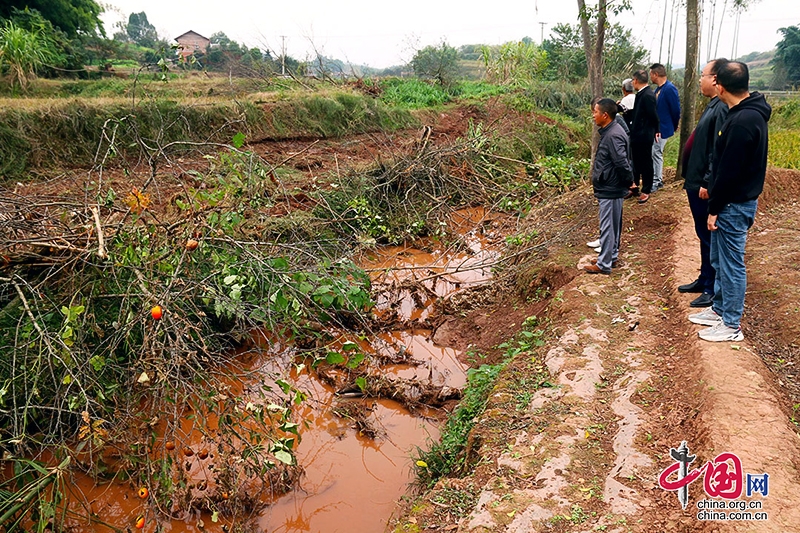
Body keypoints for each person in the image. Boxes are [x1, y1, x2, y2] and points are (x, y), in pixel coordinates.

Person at [688, 61, 771, 342]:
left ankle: (732, 325)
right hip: (731, 202)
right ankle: (720, 309)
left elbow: (729, 172)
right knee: (719, 259)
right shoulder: (742, 114)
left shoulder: (742, 122)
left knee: (732, 264)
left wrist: (714, 208)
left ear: (720, 86)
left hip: (734, 205)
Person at [679, 58, 729, 308]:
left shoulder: (721, 108)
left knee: (708, 236)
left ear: (716, 79)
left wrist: (708, 182)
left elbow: (717, 151)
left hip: (703, 184)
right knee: (701, 233)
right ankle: (704, 277)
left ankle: (711, 288)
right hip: (695, 179)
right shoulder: (712, 105)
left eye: (703, 74)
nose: (700, 79)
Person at [584, 98, 633, 274]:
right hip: (612, 186)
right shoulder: (612, 131)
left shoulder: (613, 135)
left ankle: (604, 263)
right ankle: (610, 257)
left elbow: (621, 163)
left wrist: (630, 182)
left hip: (610, 188)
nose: (593, 115)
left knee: (607, 225)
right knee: (613, 224)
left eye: (595, 112)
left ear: (605, 115)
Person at [627, 69, 659, 204]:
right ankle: (634, 187)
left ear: (635, 81)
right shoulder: (641, 94)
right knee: (636, 162)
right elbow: (639, 113)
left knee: (645, 163)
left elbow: (653, 116)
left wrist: (655, 131)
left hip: (644, 135)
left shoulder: (648, 95)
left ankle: (646, 189)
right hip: (637, 135)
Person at [650, 63, 681, 193]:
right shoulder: (658, 90)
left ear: (656, 74)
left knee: (656, 153)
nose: (650, 77)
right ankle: (656, 179)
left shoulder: (669, 89)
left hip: (663, 128)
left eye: (651, 74)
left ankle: (657, 181)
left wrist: (673, 125)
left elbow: (675, 110)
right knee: (654, 152)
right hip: (657, 128)